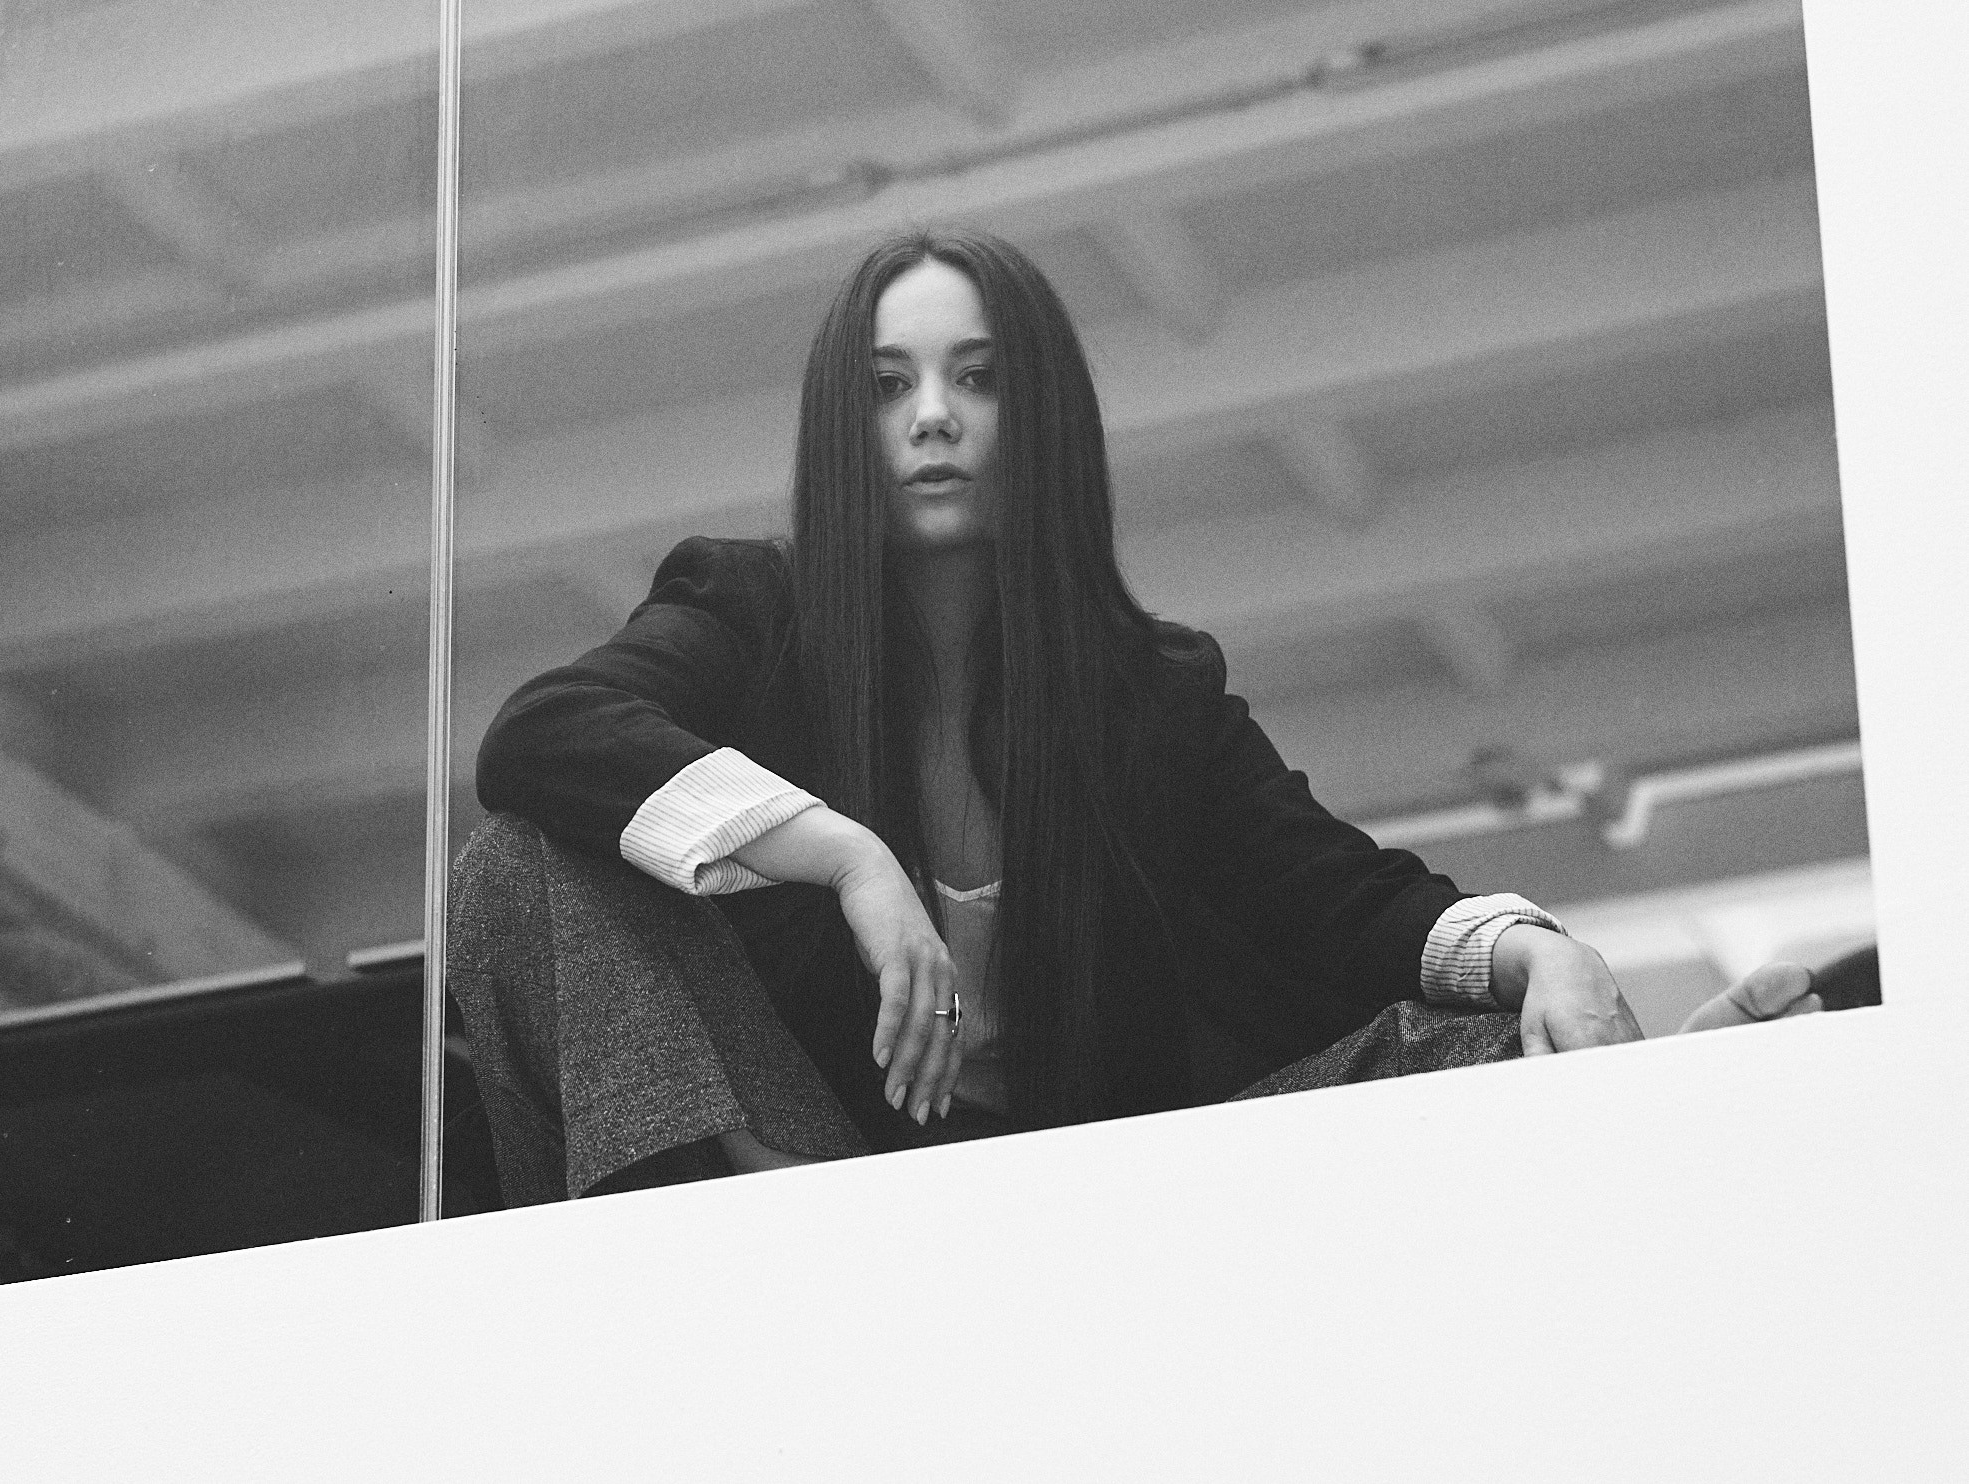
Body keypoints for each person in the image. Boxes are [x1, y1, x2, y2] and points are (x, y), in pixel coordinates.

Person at [451, 229, 1819, 1206]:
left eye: (977, 378)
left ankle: (1655, 1149)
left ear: (1036, 412)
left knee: (1460, 1037)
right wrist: (841, 854)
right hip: (808, 1172)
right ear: (840, 425)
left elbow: (1340, 902)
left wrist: (1538, 956)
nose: (931, 418)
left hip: (1090, 1206)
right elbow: (545, 734)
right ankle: (728, 1224)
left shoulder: (1142, 690)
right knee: (515, 865)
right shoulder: (752, 612)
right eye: (886, 388)